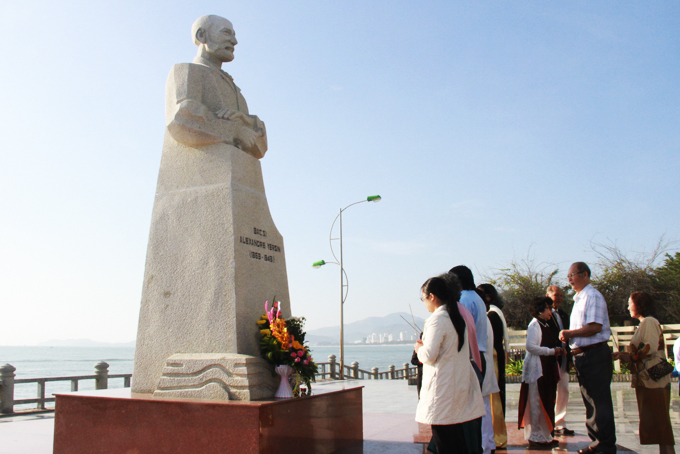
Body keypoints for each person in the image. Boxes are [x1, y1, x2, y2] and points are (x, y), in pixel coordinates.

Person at [165, 15, 267, 158]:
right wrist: (235, 131)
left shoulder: (235, 91)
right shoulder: (186, 71)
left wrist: (246, 120)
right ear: (201, 35)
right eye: (226, 32)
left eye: (234, 35)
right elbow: (182, 118)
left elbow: (259, 147)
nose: (234, 41)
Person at [415, 275, 485, 454]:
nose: (424, 303)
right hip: (457, 384)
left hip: (442, 388)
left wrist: (418, 349)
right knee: (456, 438)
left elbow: (429, 355)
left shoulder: (437, 319)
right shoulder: (456, 316)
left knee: (443, 440)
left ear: (432, 296)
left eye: (423, 298)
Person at [559, 262, 616, 454]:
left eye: (572, 275)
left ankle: (605, 444)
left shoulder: (593, 296)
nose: (569, 280)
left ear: (584, 274)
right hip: (583, 355)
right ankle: (596, 441)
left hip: (594, 354)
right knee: (590, 400)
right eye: (568, 276)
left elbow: (595, 327)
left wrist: (569, 333)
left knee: (599, 401)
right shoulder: (579, 299)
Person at [612, 292, 675, 454]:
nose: (627, 307)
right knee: (658, 425)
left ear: (639, 304)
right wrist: (623, 356)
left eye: (629, 303)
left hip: (653, 381)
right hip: (648, 380)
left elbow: (649, 348)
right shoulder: (645, 323)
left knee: (661, 425)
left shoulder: (649, 322)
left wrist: (630, 356)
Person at [518, 297, 564, 449]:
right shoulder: (535, 325)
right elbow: (531, 347)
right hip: (538, 369)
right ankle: (536, 438)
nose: (550, 312)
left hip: (547, 368)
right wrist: (551, 351)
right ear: (539, 310)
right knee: (537, 403)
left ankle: (545, 436)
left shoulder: (545, 324)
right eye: (547, 309)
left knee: (547, 401)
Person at [477, 283, 509, 449]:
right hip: (495, 355)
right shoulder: (495, 313)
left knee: (492, 399)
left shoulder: (491, 315)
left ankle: (496, 436)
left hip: (493, 357)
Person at [545, 285, 575, 436]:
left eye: (562, 295)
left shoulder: (564, 315)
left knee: (564, 389)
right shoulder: (544, 315)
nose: (560, 298)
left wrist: (569, 356)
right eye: (557, 295)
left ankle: (560, 423)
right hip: (550, 357)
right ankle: (548, 423)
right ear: (548, 295)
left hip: (563, 357)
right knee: (549, 390)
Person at [450, 266, 488, 379]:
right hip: (479, 353)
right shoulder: (476, 297)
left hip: (470, 355)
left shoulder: (464, 299)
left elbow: (461, 328)